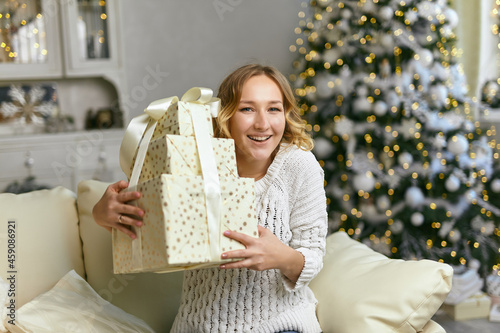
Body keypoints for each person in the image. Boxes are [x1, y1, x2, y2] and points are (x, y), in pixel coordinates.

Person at [92, 64, 328, 333]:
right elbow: (152, 220)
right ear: (225, 115)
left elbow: (314, 255)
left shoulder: (299, 165)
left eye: (273, 108)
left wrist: (282, 257)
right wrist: (102, 214)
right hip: (197, 326)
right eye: (247, 109)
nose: (263, 123)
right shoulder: (197, 158)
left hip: (279, 326)